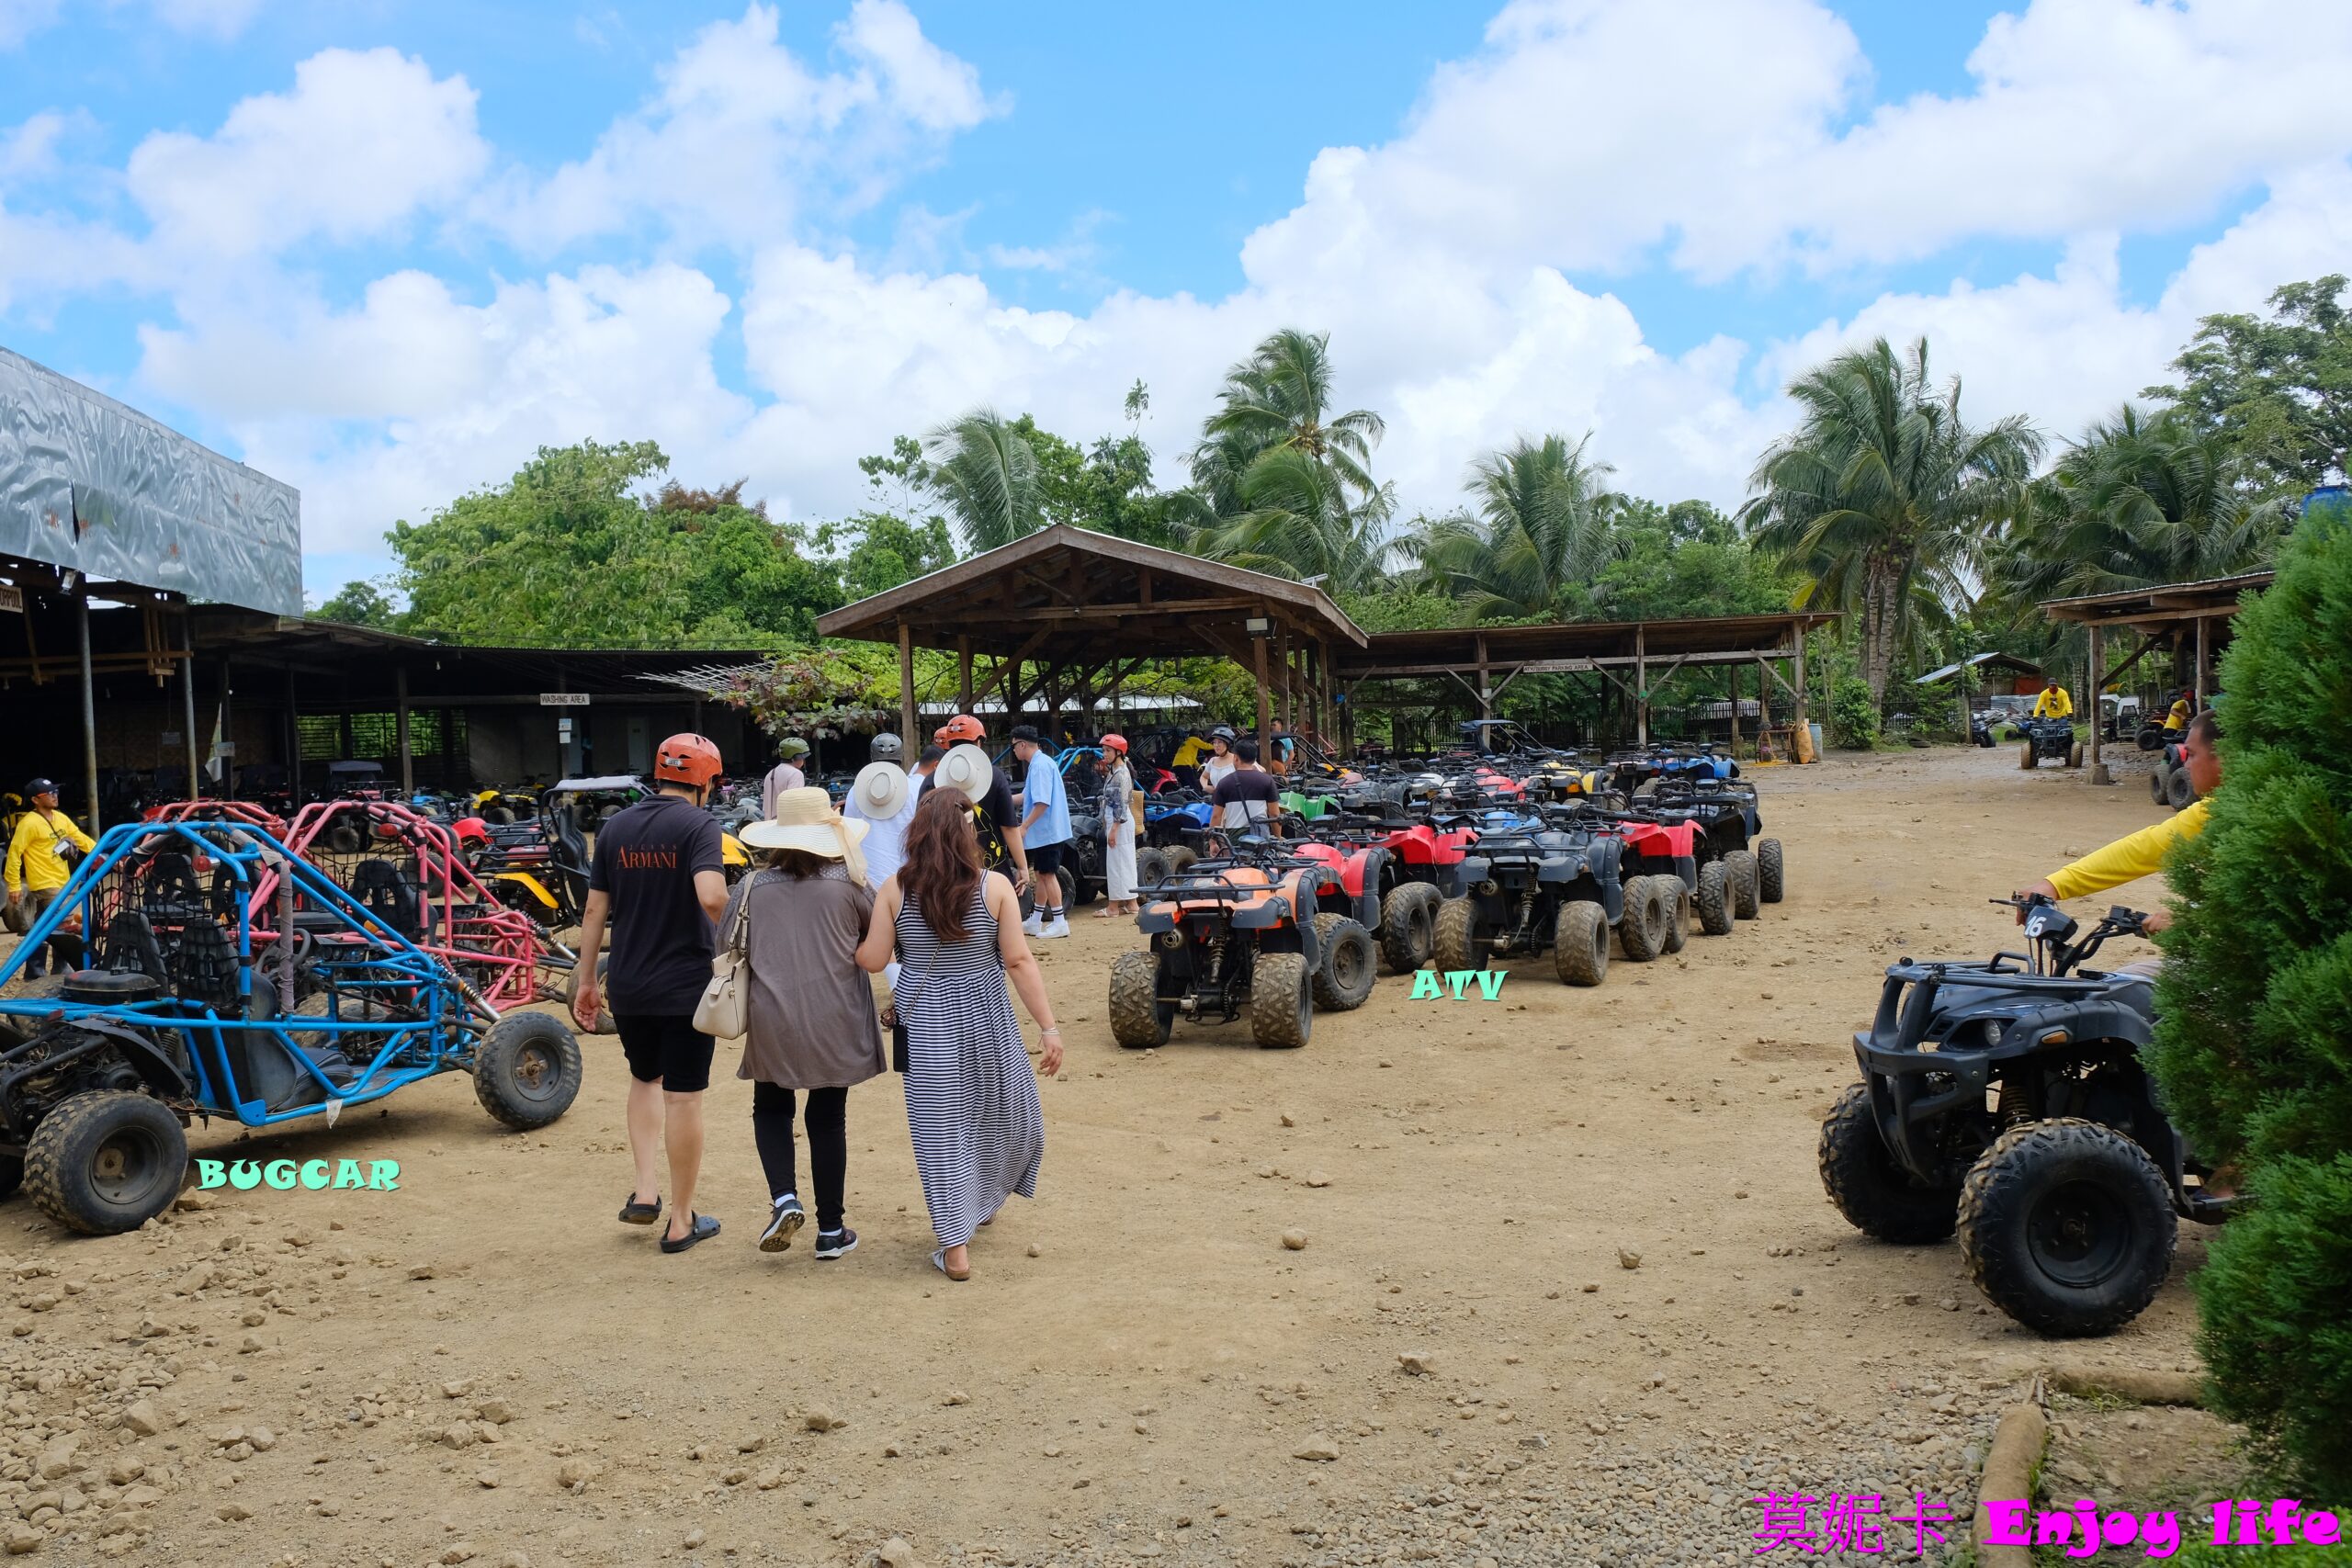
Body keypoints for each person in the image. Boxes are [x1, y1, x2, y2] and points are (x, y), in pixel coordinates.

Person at [857, 789, 1062, 1282]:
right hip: (988, 1016)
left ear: (918, 831)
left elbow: (873, 960)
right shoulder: (994, 888)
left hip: (926, 1021)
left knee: (940, 1132)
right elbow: (1017, 961)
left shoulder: (893, 889)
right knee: (1005, 1114)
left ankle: (956, 1245)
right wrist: (1049, 1027)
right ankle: (979, 1206)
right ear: (968, 831)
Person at [574, 733, 730, 1254]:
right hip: (686, 986)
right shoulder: (700, 825)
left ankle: (646, 1191)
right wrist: (740, 939)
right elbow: (712, 896)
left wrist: (585, 980)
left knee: (645, 1078)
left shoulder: (615, 826)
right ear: (706, 782)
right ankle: (683, 1220)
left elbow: (594, 911)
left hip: (630, 982)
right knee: (683, 1095)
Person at [730, 787, 882, 1261]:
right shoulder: (852, 884)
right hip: (834, 1014)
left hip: (770, 1015)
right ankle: (831, 1231)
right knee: (827, 1116)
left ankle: (783, 1199)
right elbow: (879, 936)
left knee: (771, 1107)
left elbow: (726, 944)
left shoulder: (751, 887)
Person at [2015, 709, 2222, 934]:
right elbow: (2145, 848)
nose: (2187, 766)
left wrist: (2193, 914)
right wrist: (2054, 884)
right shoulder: (2211, 810)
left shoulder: (2230, 815)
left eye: (2191, 754)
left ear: (2224, 755)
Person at [5, 779, 95, 981]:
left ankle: (35, 971)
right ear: (36, 799)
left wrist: (104, 856)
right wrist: (14, 885)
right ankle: (60, 968)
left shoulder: (60, 818)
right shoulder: (28, 823)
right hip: (45, 883)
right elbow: (14, 853)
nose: (55, 795)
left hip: (63, 881)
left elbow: (79, 838)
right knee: (64, 924)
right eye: (49, 793)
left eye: (55, 791)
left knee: (41, 927)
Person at [1009, 726, 1070, 940]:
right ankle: (1035, 921)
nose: (1014, 751)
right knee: (1042, 874)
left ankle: (1060, 922)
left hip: (1048, 831)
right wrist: (1000, 798)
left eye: (1014, 746)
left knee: (1047, 874)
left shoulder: (1040, 766)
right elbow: (1026, 796)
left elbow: (1042, 802)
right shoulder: (1039, 764)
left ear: (1022, 745)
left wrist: (1024, 826)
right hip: (1047, 831)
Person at [842, 734, 916, 891]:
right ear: (900, 758)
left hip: (867, 878)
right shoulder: (914, 789)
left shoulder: (856, 791)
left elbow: (848, 834)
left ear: (872, 758)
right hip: (905, 876)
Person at [1094, 735, 1138, 919]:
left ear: (1118, 752)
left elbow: (1120, 803)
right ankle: (1132, 903)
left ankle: (1113, 907)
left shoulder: (1120, 774)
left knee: (1116, 864)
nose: (1105, 754)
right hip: (1119, 821)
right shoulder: (1117, 771)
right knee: (1125, 862)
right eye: (1104, 750)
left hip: (1118, 821)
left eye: (1108, 750)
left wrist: (1113, 830)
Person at [1211, 738, 1283, 833]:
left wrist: (1213, 842)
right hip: (1259, 836)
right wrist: (1277, 837)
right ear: (1254, 758)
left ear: (1236, 758)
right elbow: (1274, 814)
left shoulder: (1224, 783)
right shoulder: (1267, 780)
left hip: (1234, 835)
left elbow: (1216, 816)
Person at [760, 738, 812, 820]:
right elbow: (794, 802)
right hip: (787, 823)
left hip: (770, 823)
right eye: (802, 758)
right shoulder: (795, 774)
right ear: (794, 758)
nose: (803, 761)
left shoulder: (771, 773)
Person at [1199, 727, 1238, 794]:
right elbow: (1204, 777)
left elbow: (1257, 772)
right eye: (1214, 742)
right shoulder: (1212, 761)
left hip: (1234, 800)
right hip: (1217, 800)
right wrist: (1205, 786)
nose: (1216, 745)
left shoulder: (1237, 759)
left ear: (1228, 744)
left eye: (1220, 742)